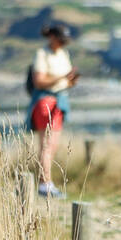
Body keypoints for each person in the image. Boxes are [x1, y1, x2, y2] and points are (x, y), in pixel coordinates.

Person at [27, 22, 80, 198]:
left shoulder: (63, 54)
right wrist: (61, 77)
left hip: (60, 100)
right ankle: (45, 183)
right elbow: (39, 81)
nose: (64, 43)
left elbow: (65, 82)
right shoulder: (42, 54)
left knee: (52, 145)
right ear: (52, 37)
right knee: (47, 145)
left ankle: (46, 182)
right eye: (61, 39)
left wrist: (71, 80)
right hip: (45, 100)